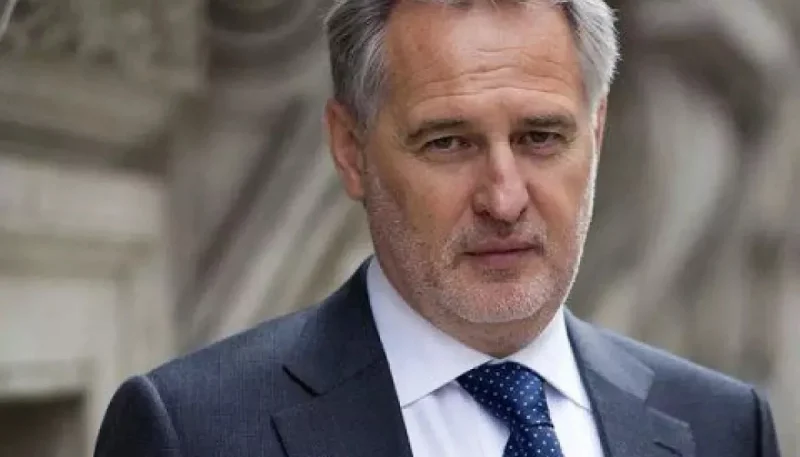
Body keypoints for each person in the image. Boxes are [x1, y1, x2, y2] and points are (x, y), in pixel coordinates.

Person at [94, 0, 783, 456]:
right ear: (350, 150)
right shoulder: (191, 433)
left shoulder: (724, 427)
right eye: (448, 142)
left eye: (542, 137)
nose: (504, 199)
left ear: (596, 135)